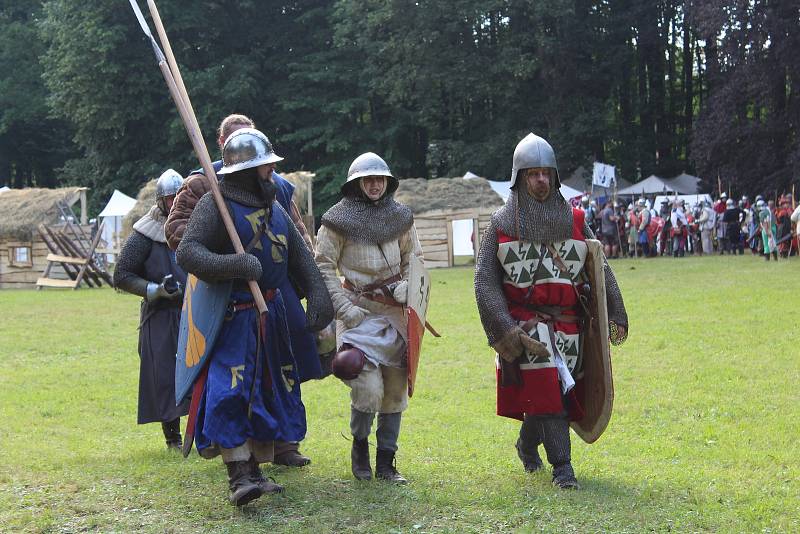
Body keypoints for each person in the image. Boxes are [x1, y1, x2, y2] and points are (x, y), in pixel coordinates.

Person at [176, 128, 334, 506]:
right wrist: (234, 264)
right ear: (246, 170)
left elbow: (299, 258)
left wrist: (317, 295)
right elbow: (188, 252)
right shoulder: (216, 205)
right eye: (265, 167)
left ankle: (256, 470)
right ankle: (238, 476)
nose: (272, 173)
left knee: (268, 392)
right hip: (232, 318)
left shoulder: (275, 207)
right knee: (230, 393)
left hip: (271, 316)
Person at [474, 133, 628, 489]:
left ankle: (527, 444)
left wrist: (614, 311)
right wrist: (504, 330)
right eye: (533, 173)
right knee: (545, 385)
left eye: (546, 173)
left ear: (554, 177)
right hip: (526, 326)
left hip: (571, 326)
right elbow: (484, 281)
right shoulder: (500, 224)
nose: (541, 180)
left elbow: (599, 266)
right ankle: (563, 469)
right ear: (520, 178)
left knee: (553, 394)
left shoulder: (574, 220)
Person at [315, 152, 423, 484]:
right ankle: (360, 447)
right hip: (357, 312)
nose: (375, 185)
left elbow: (414, 259)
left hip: (394, 315)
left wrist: (408, 287)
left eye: (380, 179)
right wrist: (344, 310)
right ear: (357, 183)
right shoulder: (336, 220)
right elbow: (322, 266)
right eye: (368, 179)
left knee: (393, 392)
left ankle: (387, 463)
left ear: (387, 183)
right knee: (367, 388)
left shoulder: (401, 217)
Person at [113, 169, 189, 450]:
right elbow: (121, 274)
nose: (175, 203)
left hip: (193, 313)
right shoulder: (145, 233)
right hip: (161, 315)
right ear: (161, 201)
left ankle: (204, 434)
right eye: (171, 198)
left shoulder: (196, 224)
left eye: (180, 196)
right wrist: (153, 290)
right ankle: (173, 438)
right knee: (164, 374)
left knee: (199, 372)